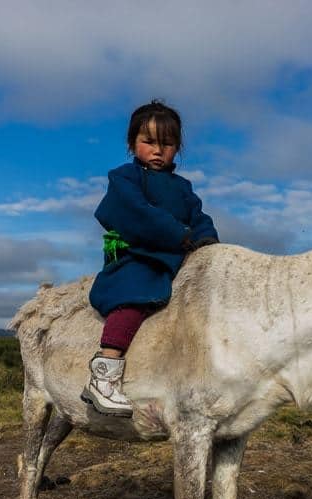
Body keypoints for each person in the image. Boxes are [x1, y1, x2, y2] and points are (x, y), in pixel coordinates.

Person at [82, 101, 219, 416]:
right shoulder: (124, 178)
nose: (158, 150)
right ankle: (104, 375)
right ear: (132, 144)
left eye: (167, 144)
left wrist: (207, 242)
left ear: (178, 148)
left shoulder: (183, 187)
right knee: (135, 298)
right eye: (149, 142)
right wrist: (179, 235)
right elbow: (136, 211)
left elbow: (199, 217)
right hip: (138, 258)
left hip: (174, 260)